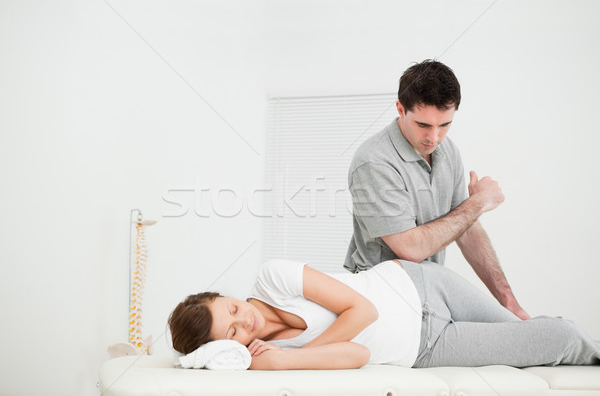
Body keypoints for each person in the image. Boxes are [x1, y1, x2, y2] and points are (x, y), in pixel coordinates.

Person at [168, 259, 600, 370]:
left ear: (225, 295)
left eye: (232, 309)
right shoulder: (265, 355)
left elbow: (364, 309)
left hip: (421, 283)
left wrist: (309, 350)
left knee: (528, 336)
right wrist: (284, 358)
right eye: (234, 332)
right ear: (228, 347)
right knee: (555, 339)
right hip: (427, 346)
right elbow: (356, 354)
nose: (247, 322)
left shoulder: (272, 278)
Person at [345, 59, 530, 320]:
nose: (434, 138)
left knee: (524, 328)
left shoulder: (447, 151)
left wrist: (509, 303)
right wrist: (477, 203)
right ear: (400, 109)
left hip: (428, 294)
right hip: (382, 300)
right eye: (423, 125)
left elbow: (464, 227)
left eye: (444, 125)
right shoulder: (374, 161)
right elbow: (410, 249)